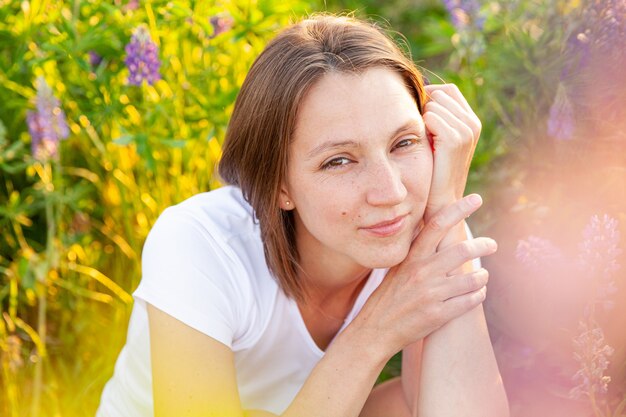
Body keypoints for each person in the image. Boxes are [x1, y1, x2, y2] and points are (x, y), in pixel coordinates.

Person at [96, 13, 509, 417]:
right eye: (340, 161)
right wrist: (377, 330)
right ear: (279, 184)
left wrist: (445, 212)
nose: (392, 192)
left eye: (404, 143)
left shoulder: (417, 226)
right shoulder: (200, 244)